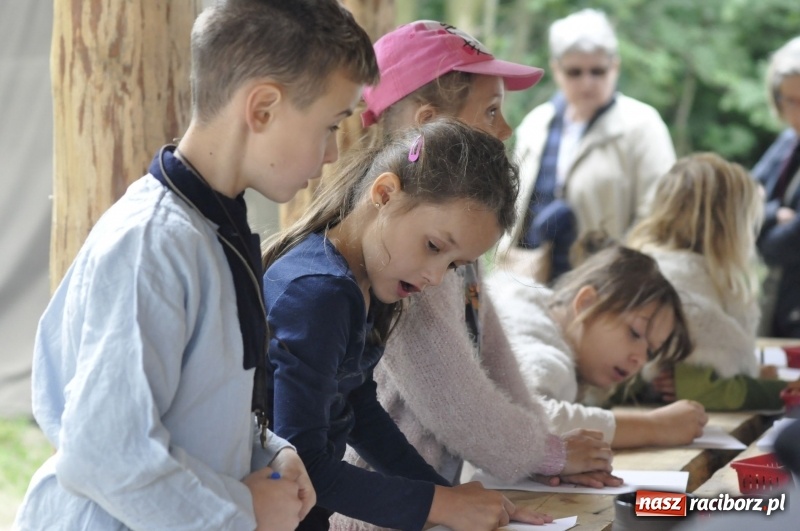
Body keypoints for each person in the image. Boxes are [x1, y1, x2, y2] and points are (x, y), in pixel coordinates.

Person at [14, 1, 379, 530]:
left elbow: (197, 407)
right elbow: (105, 450)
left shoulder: (213, 229)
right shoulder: (153, 244)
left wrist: (268, 449)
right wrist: (243, 511)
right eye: (329, 126)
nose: (329, 155)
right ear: (262, 109)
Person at [330, 21, 618, 531]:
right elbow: (455, 399)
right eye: (490, 110)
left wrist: (541, 448)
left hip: (426, 500)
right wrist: (547, 453)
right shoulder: (405, 252)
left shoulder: (443, 233)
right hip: (380, 514)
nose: (505, 128)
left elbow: (490, 347)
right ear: (430, 123)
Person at [262, 118, 557, 531]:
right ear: (384, 193)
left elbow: (358, 411)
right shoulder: (319, 294)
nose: (436, 277)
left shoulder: (360, 286)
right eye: (434, 247)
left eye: (453, 265)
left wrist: (452, 499)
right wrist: (441, 504)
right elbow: (302, 465)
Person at [500, 8, 675, 283]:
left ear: (614, 66)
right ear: (557, 70)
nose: (587, 82)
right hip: (528, 278)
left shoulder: (642, 126)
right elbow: (512, 206)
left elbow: (659, 217)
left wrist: (621, 277)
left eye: (597, 71)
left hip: (603, 285)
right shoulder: (537, 124)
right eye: (575, 72)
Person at [486, 243, 708, 448]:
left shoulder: (532, 305)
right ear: (586, 303)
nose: (640, 359)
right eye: (635, 333)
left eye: (650, 351)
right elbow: (526, 419)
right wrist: (655, 426)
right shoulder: (545, 355)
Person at [627, 153, 800, 410]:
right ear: (729, 224)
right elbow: (708, 392)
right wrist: (782, 391)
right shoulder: (686, 287)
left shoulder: (645, 265)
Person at [753, 36, 800, 338]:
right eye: (790, 100)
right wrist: (773, 214)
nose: (796, 111)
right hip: (778, 304)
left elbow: (786, 244)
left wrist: (760, 225)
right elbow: (739, 205)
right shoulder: (787, 143)